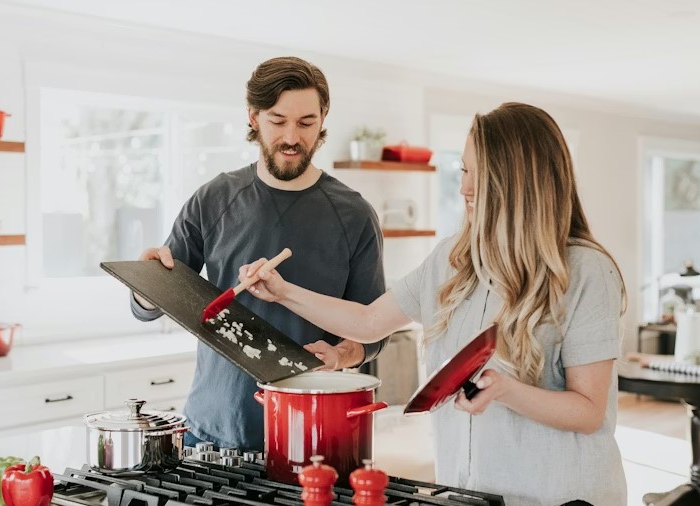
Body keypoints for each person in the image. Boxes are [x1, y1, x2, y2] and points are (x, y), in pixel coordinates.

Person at [242, 102, 627, 506]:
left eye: (479, 174)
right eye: (463, 170)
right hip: (467, 493)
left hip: (560, 497)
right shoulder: (452, 259)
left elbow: (589, 411)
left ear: (519, 182)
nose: (464, 189)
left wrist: (506, 390)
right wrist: (283, 291)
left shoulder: (585, 270)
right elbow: (369, 321)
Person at [129, 56, 388, 452]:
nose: (292, 137)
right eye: (278, 121)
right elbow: (151, 304)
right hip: (208, 433)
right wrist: (145, 285)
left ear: (323, 119)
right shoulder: (213, 199)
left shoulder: (355, 215)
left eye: (306, 123)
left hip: (308, 435)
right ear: (253, 117)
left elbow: (374, 330)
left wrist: (341, 354)